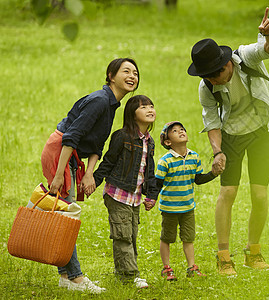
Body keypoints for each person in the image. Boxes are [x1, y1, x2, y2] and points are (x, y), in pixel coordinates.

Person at [187, 7, 269, 275]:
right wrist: (217, 152)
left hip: (264, 128)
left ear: (226, 64)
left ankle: (253, 252)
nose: (212, 81)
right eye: (207, 77)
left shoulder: (245, 57)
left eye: (214, 74)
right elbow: (212, 122)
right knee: (227, 192)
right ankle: (223, 256)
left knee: (259, 194)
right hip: (232, 135)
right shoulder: (206, 86)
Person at [40, 58, 140, 293]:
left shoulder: (112, 104)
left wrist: (89, 175)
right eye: (126, 71)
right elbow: (71, 136)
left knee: (65, 214)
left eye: (135, 73)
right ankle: (75, 277)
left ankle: (65, 276)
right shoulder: (99, 101)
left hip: (72, 156)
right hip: (61, 152)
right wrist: (57, 175)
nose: (132, 76)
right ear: (110, 75)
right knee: (67, 217)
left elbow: (98, 144)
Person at [93, 95, 159, 288]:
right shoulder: (122, 136)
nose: (149, 109)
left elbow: (150, 171)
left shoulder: (149, 141)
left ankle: (124, 274)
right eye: (143, 107)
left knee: (129, 235)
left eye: (151, 106)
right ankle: (131, 275)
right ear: (132, 113)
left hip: (135, 197)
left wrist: (152, 195)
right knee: (122, 234)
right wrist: (93, 181)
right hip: (118, 194)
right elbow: (108, 161)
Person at [156, 121, 218, 281]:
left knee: (188, 238)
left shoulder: (194, 157)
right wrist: (150, 199)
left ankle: (191, 267)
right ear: (168, 142)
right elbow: (157, 184)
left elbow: (198, 179)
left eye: (182, 129)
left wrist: (213, 173)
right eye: (175, 131)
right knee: (167, 238)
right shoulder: (165, 161)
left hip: (188, 207)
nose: (181, 131)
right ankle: (166, 268)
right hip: (169, 208)